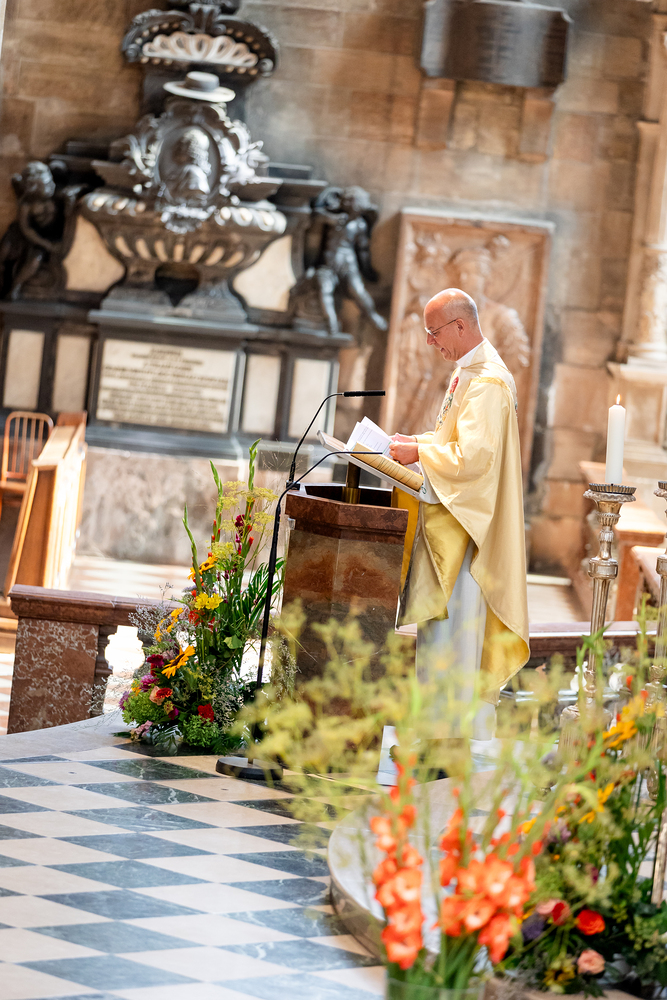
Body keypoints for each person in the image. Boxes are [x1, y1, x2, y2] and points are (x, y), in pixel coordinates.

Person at [389, 287, 529, 744]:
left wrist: (419, 453)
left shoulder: (487, 382)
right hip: (451, 521)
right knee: (440, 639)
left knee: (453, 640)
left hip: (466, 534)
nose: (430, 342)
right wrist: (417, 443)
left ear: (461, 326)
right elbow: (453, 440)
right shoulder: (467, 372)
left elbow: (472, 459)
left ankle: (447, 741)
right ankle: (432, 735)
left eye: (434, 332)